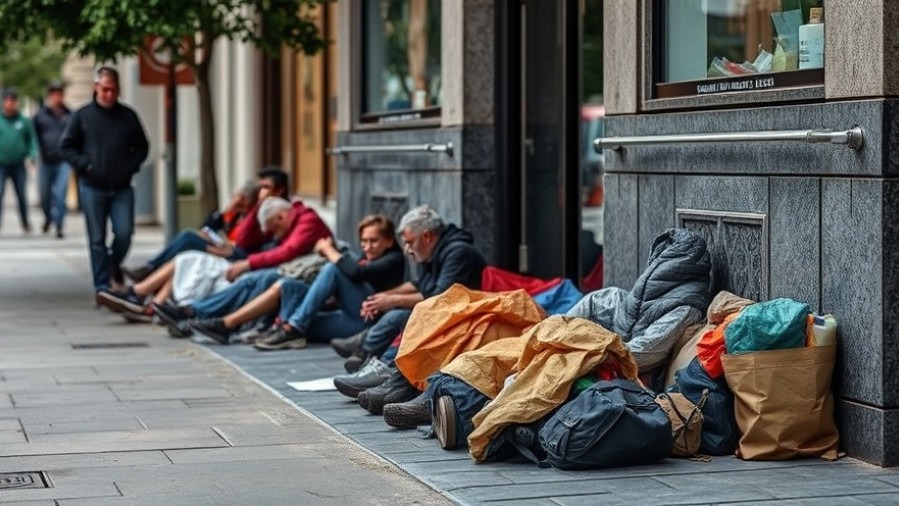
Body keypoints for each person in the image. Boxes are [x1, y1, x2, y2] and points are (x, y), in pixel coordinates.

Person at [333, 205, 487, 405]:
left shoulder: (459, 253)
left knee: (403, 316)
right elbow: (418, 285)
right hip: (450, 315)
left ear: (427, 236)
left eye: (409, 242)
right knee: (399, 314)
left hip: (468, 320)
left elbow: (439, 298)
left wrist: (392, 300)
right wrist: (383, 296)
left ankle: (383, 365)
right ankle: (369, 355)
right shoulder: (431, 251)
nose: (407, 249)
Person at [188, 214, 406, 348]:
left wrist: (329, 250)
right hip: (345, 314)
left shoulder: (393, 259)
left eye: (374, 241)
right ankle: (234, 325)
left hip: (365, 322)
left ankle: (292, 327)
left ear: (388, 241)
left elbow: (355, 274)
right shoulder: (366, 257)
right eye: (364, 241)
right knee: (287, 284)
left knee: (332, 268)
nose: (367, 246)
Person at [60, 66, 149, 298]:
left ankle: (112, 263)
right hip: (92, 187)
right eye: (105, 89)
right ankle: (102, 286)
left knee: (124, 232)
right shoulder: (82, 116)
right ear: (96, 88)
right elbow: (66, 146)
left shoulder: (128, 116)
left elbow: (142, 146)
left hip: (122, 187)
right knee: (97, 240)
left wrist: (131, 165)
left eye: (113, 90)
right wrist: (85, 164)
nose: (109, 94)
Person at [121, 166, 290, 282]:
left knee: (188, 240)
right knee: (187, 245)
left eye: (266, 187)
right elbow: (208, 226)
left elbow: (253, 244)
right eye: (260, 188)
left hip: (238, 256)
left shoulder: (276, 213)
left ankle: (147, 274)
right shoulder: (241, 213)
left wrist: (223, 249)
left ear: (279, 190)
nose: (262, 192)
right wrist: (226, 212)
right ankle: (146, 287)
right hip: (230, 250)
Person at [32, 82, 72, 238]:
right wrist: (35, 153)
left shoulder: (70, 114)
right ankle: (48, 217)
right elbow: (34, 137)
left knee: (61, 193)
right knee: (45, 195)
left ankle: (59, 224)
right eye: (54, 94)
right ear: (49, 96)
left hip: (64, 160)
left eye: (59, 94)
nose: (57, 97)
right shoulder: (40, 115)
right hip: (46, 160)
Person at [0, 88, 38, 234]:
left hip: (18, 164)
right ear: (4, 102)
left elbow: (32, 140)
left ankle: (25, 221)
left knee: (21, 194)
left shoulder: (24, 121)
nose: (10, 104)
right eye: (7, 100)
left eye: (13, 101)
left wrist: (32, 154)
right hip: (1, 164)